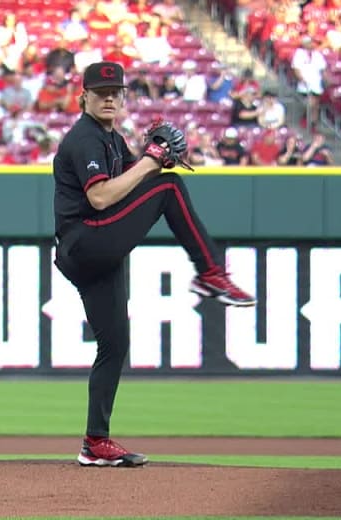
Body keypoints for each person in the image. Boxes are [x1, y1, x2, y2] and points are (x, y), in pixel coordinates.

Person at [52, 61, 256, 468]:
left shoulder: (112, 139)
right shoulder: (85, 139)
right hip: (87, 239)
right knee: (168, 187)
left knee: (114, 346)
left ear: (124, 97)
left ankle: (95, 442)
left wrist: (153, 159)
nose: (108, 98)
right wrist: (153, 163)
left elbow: (133, 178)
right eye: (100, 92)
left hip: (93, 251)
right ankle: (211, 272)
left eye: (115, 92)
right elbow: (102, 198)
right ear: (84, 96)